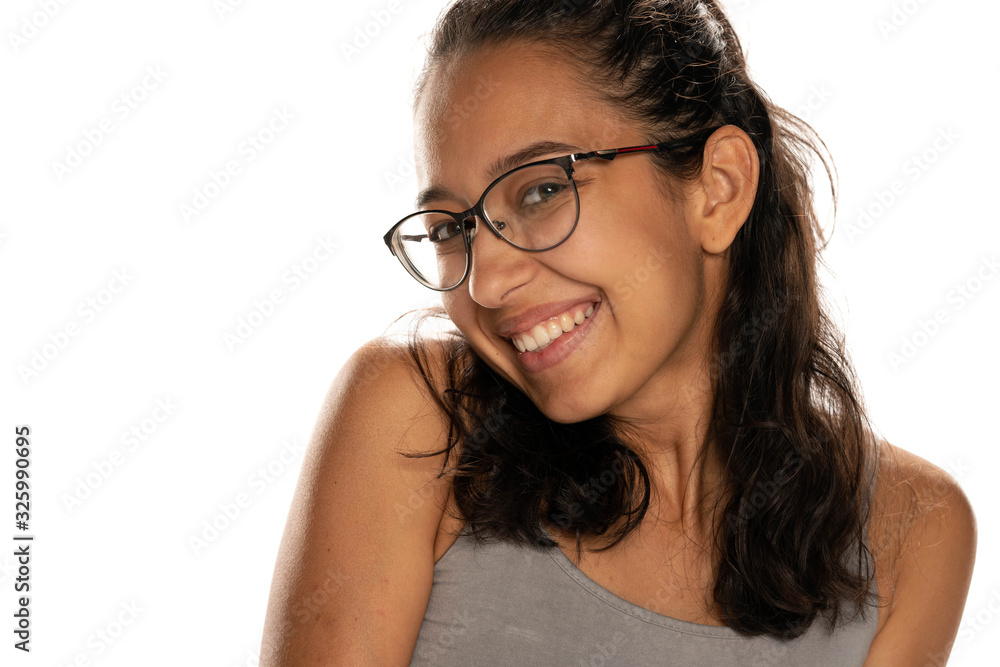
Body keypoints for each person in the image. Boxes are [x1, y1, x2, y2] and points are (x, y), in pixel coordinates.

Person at [260, 1, 977, 664]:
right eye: (453, 229)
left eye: (542, 190)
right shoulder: (417, 422)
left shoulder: (913, 531)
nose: (485, 283)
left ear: (719, 188)